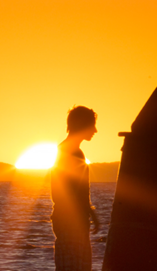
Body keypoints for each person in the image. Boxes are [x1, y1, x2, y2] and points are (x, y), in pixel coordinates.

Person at [51, 106, 101, 271]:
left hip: (74, 220)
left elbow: (78, 190)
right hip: (70, 221)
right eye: (91, 125)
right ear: (81, 124)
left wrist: (90, 213)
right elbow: (62, 190)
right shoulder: (70, 151)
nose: (95, 130)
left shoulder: (71, 151)